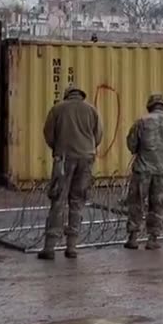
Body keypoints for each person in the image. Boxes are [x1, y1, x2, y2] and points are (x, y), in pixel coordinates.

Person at [40, 85, 104, 259]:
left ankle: (50, 247)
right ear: (81, 96)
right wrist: (86, 148)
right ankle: (72, 247)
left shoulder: (57, 109)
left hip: (64, 158)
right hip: (86, 159)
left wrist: (59, 148)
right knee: (77, 201)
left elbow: (48, 134)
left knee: (58, 200)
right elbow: (98, 135)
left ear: (67, 95)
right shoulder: (92, 110)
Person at [123, 93, 163, 250]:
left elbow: (131, 145)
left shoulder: (142, 122)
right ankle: (153, 239)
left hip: (143, 170)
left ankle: (133, 237)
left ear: (150, 106)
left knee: (136, 203)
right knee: (158, 205)